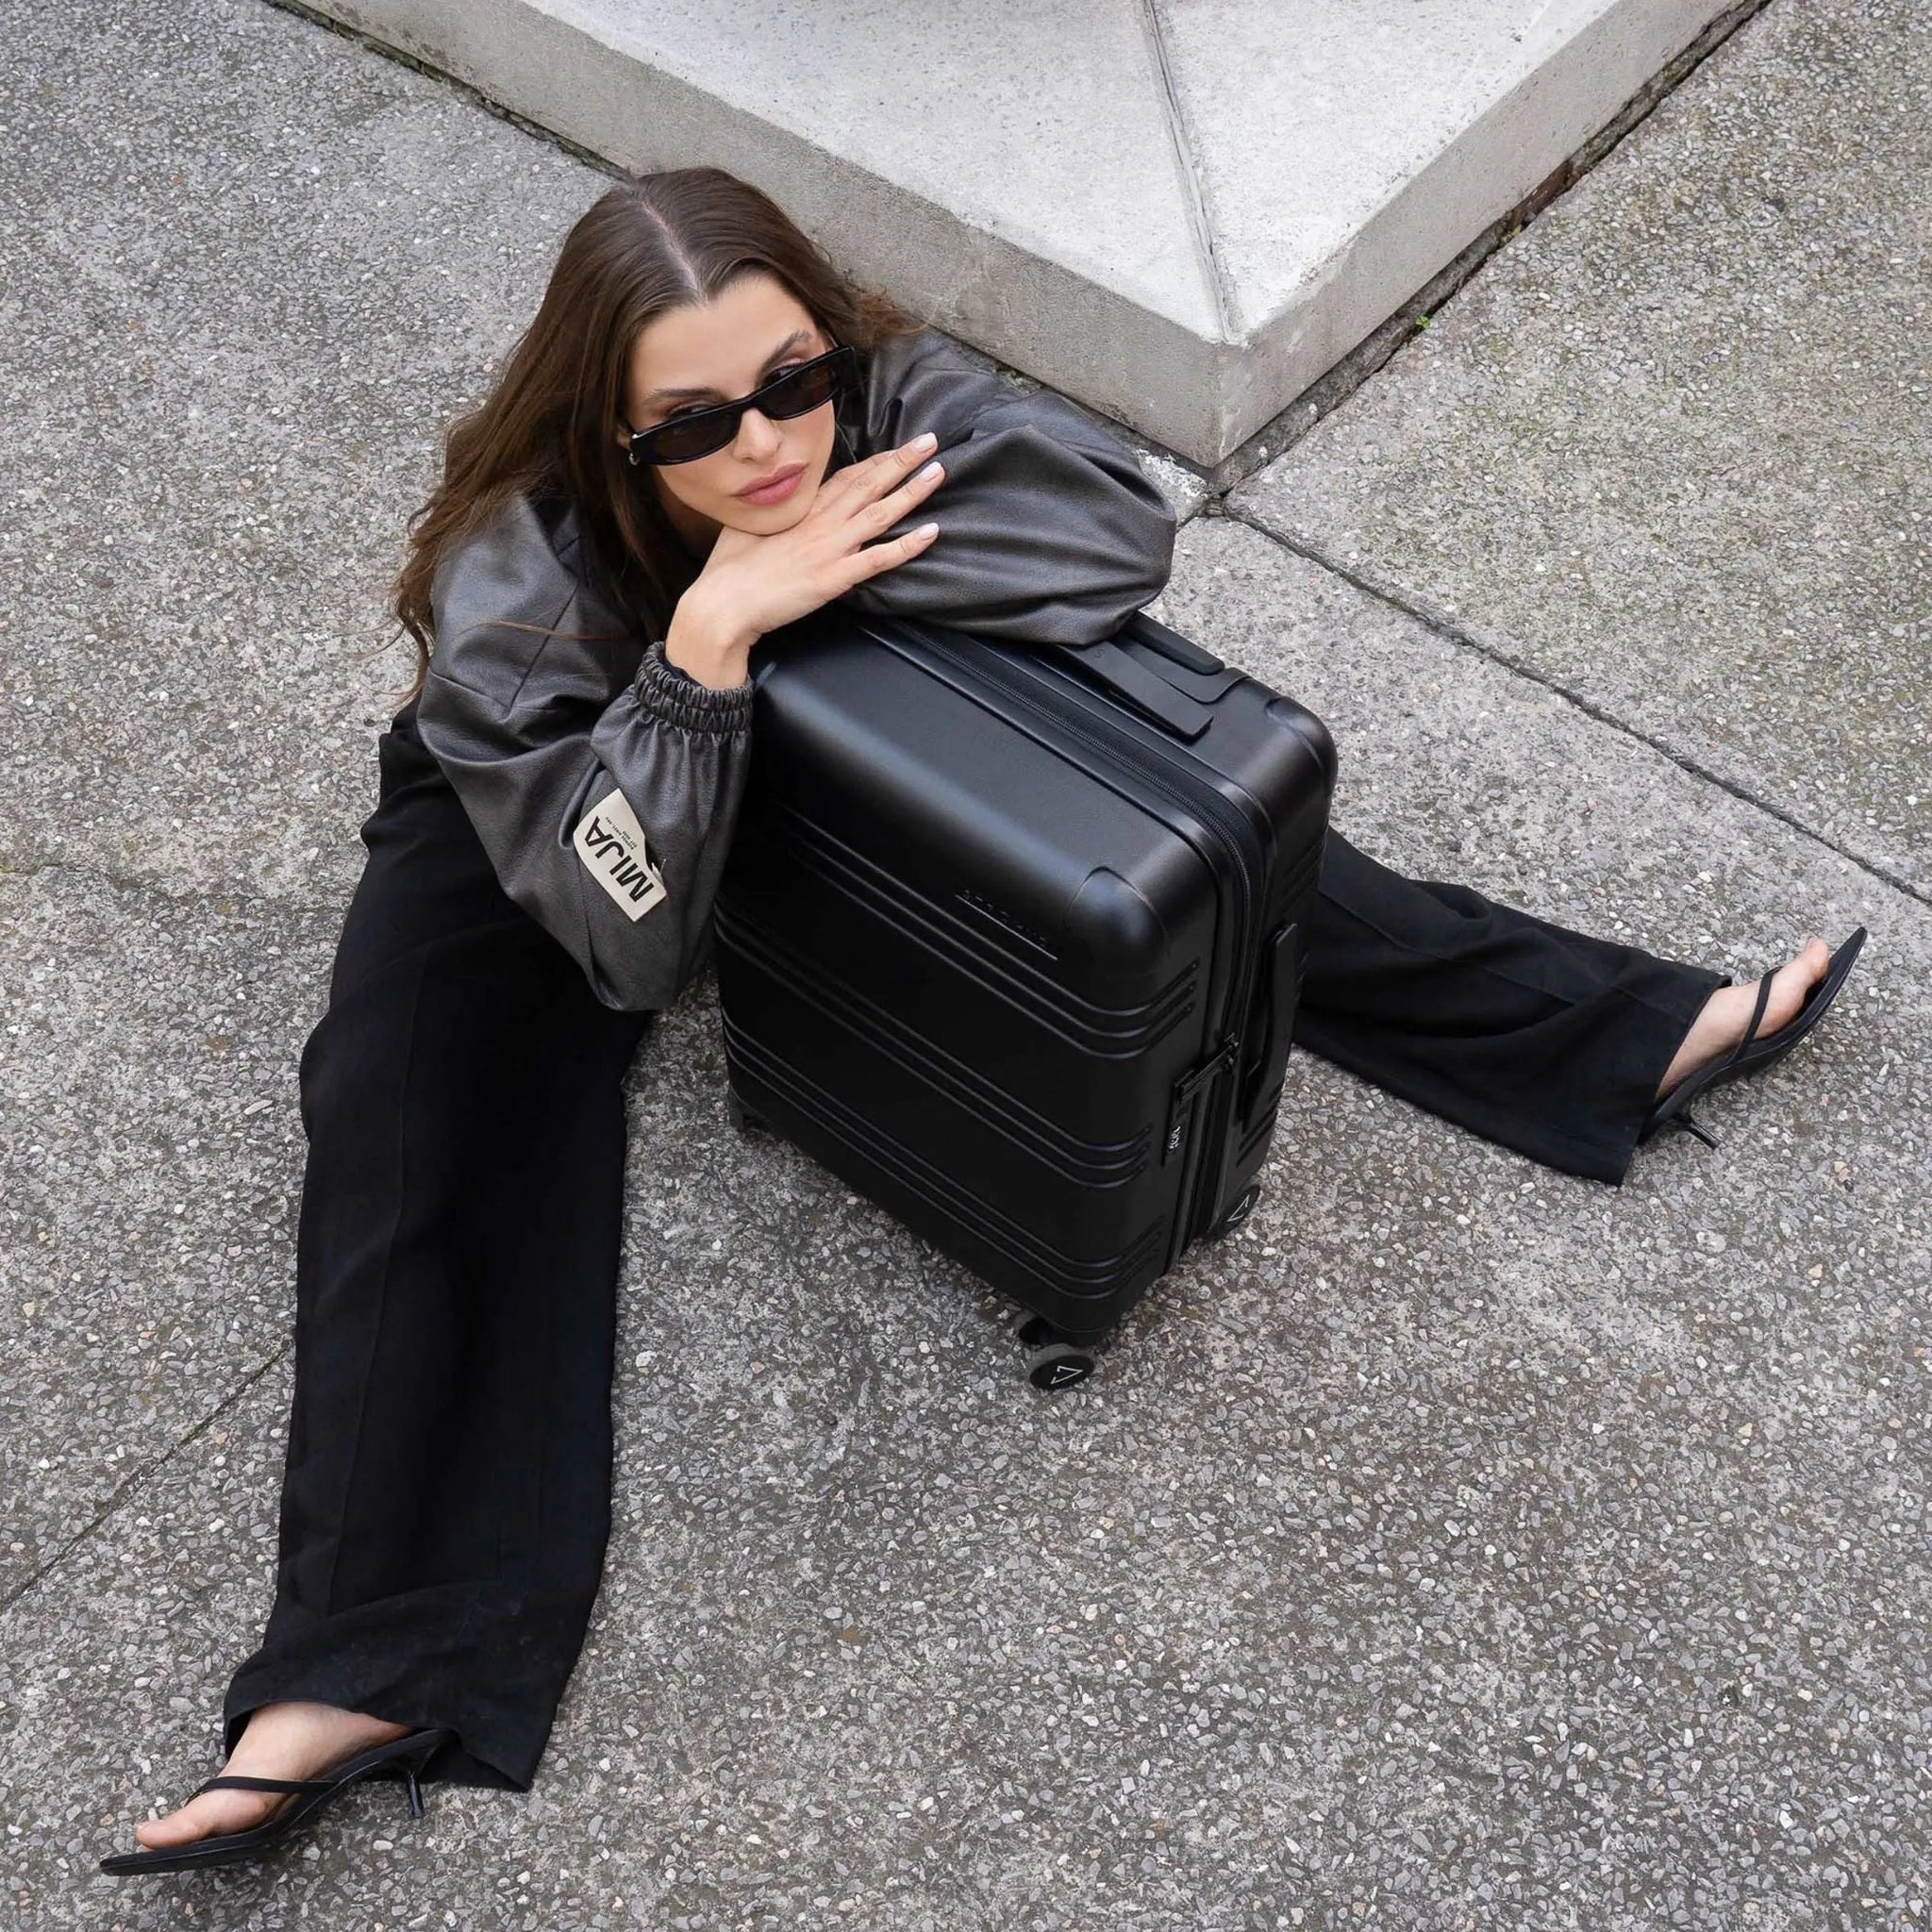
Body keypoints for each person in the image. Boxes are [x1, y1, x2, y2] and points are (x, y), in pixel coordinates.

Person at [103, 167, 1863, 1874]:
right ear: (609, 434)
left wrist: (815, 571)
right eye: (695, 424)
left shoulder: (875, 399)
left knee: (1183, 863)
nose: (768, 443)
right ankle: (364, 1662)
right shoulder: (520, 588)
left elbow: (1116, 533)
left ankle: (1608, 1037)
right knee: (399, 1099)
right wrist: (705, 649)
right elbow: (623, 939)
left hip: (825, 685)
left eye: (792, 381)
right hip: (572, 780)